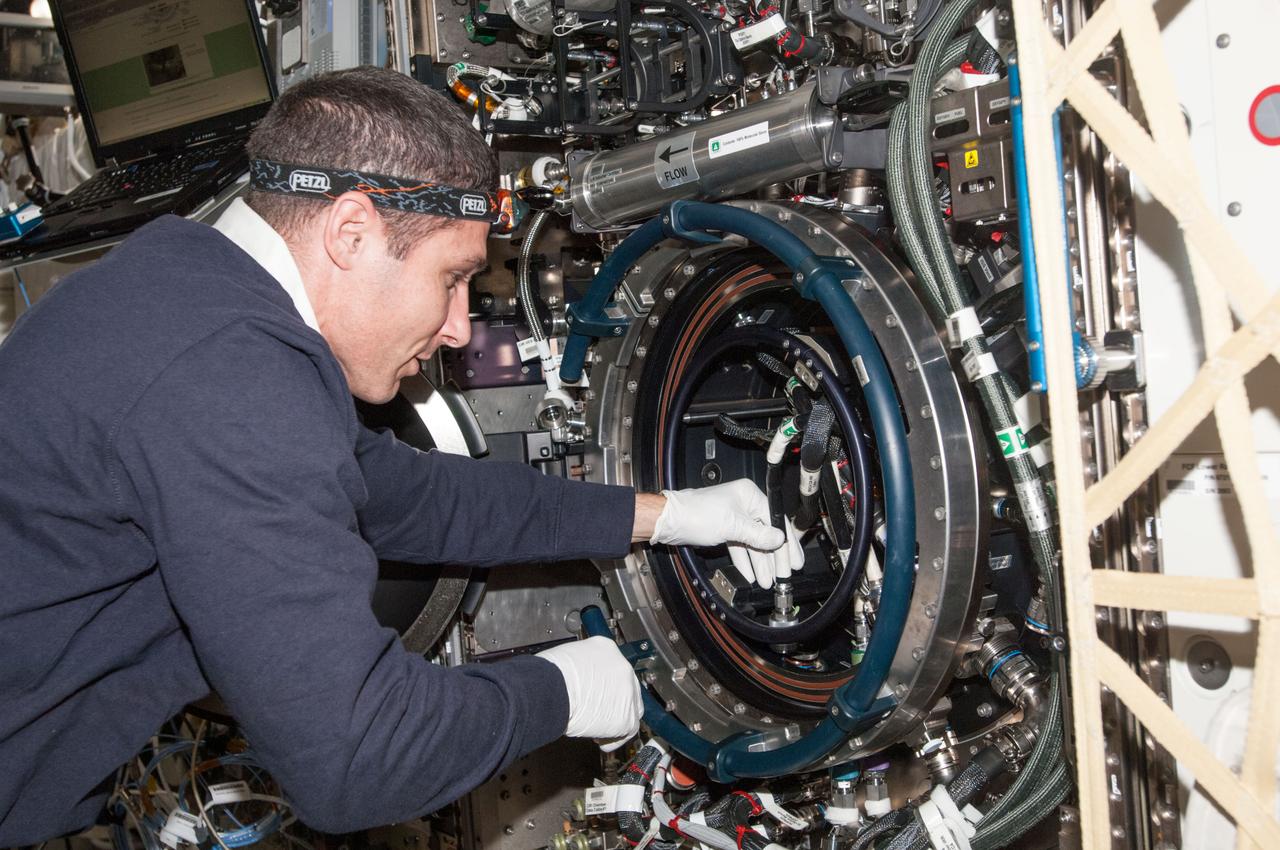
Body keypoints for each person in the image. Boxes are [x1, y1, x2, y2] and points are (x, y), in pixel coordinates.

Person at [0, 67, 800, 842]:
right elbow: (357, 762)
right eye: (451, 278)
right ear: (351, 232)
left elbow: (413, 497)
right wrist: (560, 690)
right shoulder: (231, 380)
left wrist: (665, 515)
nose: (458, 327)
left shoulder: (183, 279)